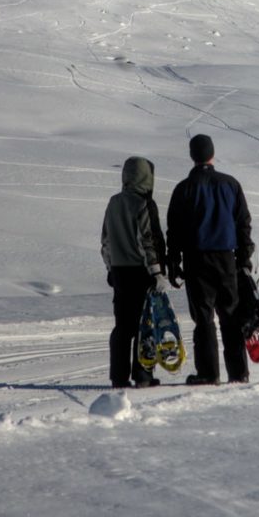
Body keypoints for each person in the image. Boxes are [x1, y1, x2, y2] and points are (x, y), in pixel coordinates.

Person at [165, 133, 254, 385]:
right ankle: (238, 372)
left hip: (196, 260)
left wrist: (173, 262)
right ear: (212, 154)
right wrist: (245, 257)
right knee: (230, 315)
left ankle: (208, 373)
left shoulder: (184, 188)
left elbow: (174, 229)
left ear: (192, 156)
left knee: (203, 318)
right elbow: (243, 223)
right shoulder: (230, 184)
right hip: (227, 259)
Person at [101, 155, 170, 388]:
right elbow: (148, 241)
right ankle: (143, 374)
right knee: (145, 325)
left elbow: (106, 241)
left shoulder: (113, 202)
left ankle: (118, 377)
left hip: (119, 272)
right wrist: (157, 272)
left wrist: (110, 268)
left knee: (122, 326)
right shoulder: (143, 204)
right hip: (140, 272)